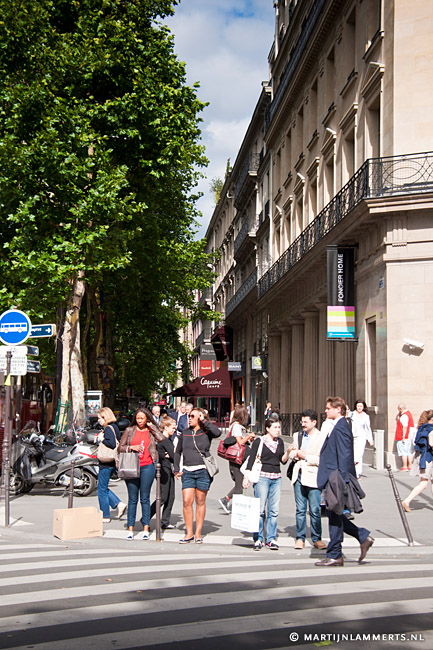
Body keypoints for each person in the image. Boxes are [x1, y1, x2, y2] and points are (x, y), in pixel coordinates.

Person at [315, 396, 374, 567]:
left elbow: (345, 454)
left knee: (334, 516)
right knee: (335, 514)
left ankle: (335, 554)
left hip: (336, 478)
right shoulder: (338, 425)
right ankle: (362, 537)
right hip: (334, 476)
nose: (325, 411)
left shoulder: (341, 427)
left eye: (328, 408)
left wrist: (342, 480)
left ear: (338, 409)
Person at [174, 407, 221, 544]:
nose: (189, 418)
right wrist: (176, 469)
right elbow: (177, 452)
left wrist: (203, 421)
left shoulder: (206, 432)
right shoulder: (185, 433)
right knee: (186, 501)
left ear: (200, 417)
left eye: (193, 416)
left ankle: (198, 533)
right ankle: (189, 533)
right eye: (189, 416)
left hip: (202, 470)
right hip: (187, 471)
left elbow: (217, 432)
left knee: (200, 500)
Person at [242, 418, 290, 551]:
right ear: (267, 429)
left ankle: (271, 538)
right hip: (262, 477)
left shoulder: (280, 442)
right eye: (275, 427)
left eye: (279, 427)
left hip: (276, 478)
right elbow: (251, 459)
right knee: (260, 510)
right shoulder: (260, 441)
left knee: (274, 510)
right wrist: (246, 477)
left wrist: (288, 452)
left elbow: (282, 461)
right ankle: (258, 538)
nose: (278, 430)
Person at [119, 407, 164, 540]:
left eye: (142, 418)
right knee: (132, 498)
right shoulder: (129, 430)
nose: (139, 421)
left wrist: (153, 427)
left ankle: (146, 528)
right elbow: (120, 447)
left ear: (147, 419)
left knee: (145, 498)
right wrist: (131, 447)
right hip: (131, 466)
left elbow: (161, 438)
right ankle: (130, 529)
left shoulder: (150, 431)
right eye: (138, 418)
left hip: (147, 466)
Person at [288, 409, 327, 550]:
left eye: (306, 422)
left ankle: (317, 538)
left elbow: (323, 460)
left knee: (315, 509)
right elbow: (292, 452)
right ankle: (300, 538)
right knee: (300, 509)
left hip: (313, 477)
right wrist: (293, 453)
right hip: (298, 475)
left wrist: (305, 457)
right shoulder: (298, 435)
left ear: (314, 422)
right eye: (302, 421)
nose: (302, 424)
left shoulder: (321, 437)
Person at [218, 405, 256, 513]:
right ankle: (238, 510)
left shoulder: (239, 426)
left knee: (240, 483)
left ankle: (225, 499)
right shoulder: (236, 427)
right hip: (236, 458)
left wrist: (249, 438)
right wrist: (248, 436)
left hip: (239, 458)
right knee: (239, 485)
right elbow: (240, 442)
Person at [96, 407, 127, 523]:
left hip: (106, 462)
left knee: (101, 490)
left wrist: (102, 439)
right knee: (102, 487)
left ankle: (105, 515)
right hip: (112, 462)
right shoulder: (114, 427)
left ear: (105, 417)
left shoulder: (108, 428)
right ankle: (118, 504)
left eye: (100, 418)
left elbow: (112, 443)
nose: (98, 420)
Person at [402, 410, 433, 512]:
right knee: (424, 483)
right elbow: (431, 443)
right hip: (428, 458)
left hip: (422, 457)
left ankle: (407, 501)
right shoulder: (431, 429)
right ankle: (407, 501)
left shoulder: (421, 428)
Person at [150, 415, 177, 529]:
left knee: (171, 497)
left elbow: (172, 455)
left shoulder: (167, 439)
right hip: (163, 470)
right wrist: (172, 453)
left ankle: (165, 521)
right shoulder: (163, 440)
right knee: (163, 497)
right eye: (173, 428)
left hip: (168, 469)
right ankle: (146, 518)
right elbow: (174, 455)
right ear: (166, 427)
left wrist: (171, 454)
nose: (174, 430)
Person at [349, 400, 373, 479]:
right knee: (353, 454)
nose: (359, 408)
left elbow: (367, 428)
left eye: (361, 406)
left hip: (361, 437)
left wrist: (370, 439)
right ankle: (352, 471)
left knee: (359, 455)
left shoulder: (366, 416)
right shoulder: (352, 414)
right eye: (358, 406)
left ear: (363, 407)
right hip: (353, 436)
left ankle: (358, 472)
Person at [395, 402, 415, 471]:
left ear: (400, 409)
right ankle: (410, 465)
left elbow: (405, 427)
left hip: (404, 436)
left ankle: (405, 466)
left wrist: (403, 437)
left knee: (403, 452)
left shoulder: (404, 416)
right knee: (409, 452)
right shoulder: (409, 414)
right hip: (409, 435)